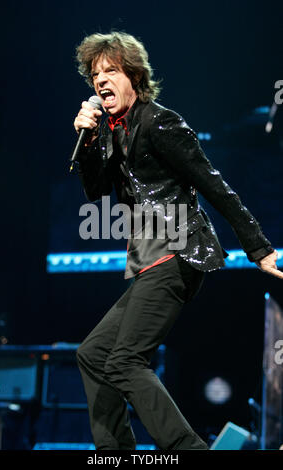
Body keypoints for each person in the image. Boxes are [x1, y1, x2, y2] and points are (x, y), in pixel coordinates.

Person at [73, 32, 282, 450]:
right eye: (95, 74)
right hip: (149, 257)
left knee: (125, 360)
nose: (101, 80)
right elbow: (94, 190)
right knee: (93, 355)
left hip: (179, 251)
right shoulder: (112, 130)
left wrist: (257, 247)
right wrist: (90, 139)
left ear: (134, 75)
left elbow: (215, 185)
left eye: (111, 70)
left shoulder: (160, 121)